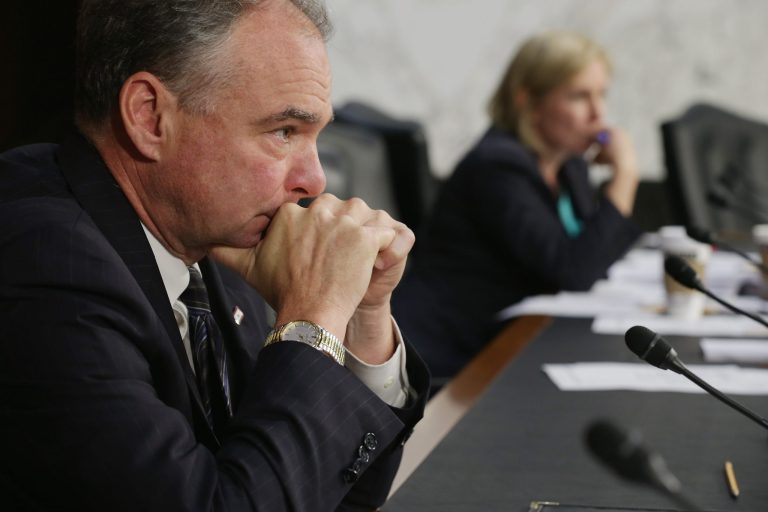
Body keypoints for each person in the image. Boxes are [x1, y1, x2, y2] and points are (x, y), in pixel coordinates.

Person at [0, 0, 429, 510]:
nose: (314, 180)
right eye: (283, 132)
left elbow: (333, 496)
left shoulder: (207, 235)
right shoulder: (46, 264)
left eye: (317, 135)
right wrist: (315, 317)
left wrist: (360, 310)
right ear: (150, 116)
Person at [393, 31, 642, 380]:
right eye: (579, 96)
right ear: (527, 101)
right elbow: (573, 270)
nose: (598, 114)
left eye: (602, 95)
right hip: (449, 354)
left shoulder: (570, 165)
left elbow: (594, 257)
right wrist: (625, 175)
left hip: (511, 341)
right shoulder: (497, 167)